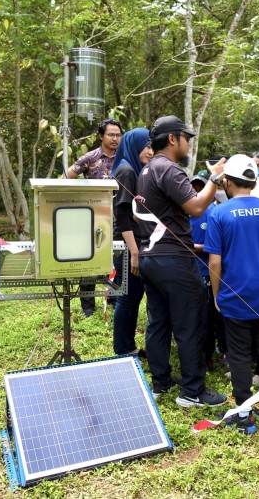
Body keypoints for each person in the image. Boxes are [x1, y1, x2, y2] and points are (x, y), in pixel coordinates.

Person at [136, 115, 228, 408]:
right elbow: (198, 208)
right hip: (174, 260)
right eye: (186, 138)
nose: (189, 143)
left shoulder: (148, 170)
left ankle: (161, 381)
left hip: (152, 258)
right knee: (190, 324)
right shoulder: (170, 170)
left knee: (158, 322)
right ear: (173, 138)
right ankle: (192, 391)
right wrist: (214, 179)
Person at [204, 154, 259, 433]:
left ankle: (244, 413)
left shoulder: (219, 213)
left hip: (234, 294)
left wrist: (217, 295)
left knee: (240, 353)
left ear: (228, 182)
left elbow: (214, 262)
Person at [67, 118, 123, 317]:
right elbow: (68, 176)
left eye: (118, 135)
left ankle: (116, 302)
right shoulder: (90, 158)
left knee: (118, 262)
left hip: (118, 220)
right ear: (101, 136)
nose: (115, 138)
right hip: (91, 220)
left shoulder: (124, 159)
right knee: (89, 262)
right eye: (111, 134)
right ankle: (88, 308)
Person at [111, 128, 153, 357]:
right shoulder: (127, 171)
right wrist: (134, 252)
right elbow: (122, 216)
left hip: (132, 243)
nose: (150, 151)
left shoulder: (131, 169)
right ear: (134, 145)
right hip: (128, 244)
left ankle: (128, 345)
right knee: (127, 298)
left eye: (151, 147)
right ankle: (123, 349)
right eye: (146, 146)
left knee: (133, 296)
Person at [189, 170, 226, 368]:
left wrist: (196, 247)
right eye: (192, 187)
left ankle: (208, 355)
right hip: (187, 271)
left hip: (207, 273)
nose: (196, 191)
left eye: (200, 187)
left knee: (209, 318)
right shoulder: (184, 210)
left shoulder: (213, 213)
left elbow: (218, 247)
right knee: (191, 316)